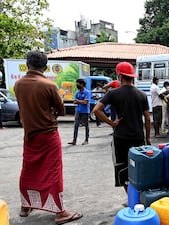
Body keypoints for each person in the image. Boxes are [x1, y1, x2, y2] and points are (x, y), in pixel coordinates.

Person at [14, 50, 83, 224]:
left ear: (27, 64)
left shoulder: (18, 85)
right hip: (48, 134)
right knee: (53, 171)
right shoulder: (49, 85)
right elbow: (61, 110)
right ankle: (60, 212)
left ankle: (26, 205)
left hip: (29, 135)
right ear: (45, 66)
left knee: (28, 169)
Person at [92, 62, 151, 192]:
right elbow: (147, 118)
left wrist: (112, 123)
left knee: (122, 167)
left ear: (119, 76)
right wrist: (148, 137)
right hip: (138, 137)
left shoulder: (113, 93)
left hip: (121, 137)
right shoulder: (142, 94)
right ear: (132, 77)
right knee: (139, 166)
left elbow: (96, 110)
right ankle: (139, 196)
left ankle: (130, 196)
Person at [68, 78, 91, 145]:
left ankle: (86, 140)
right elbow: (75, 102)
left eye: (78, 83)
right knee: (76, 125)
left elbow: (85, 102)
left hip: (85, 111)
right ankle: (74, 140)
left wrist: (78, 101)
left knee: (86, 126)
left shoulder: (87, 92)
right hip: (78, 110)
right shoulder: (77, 92)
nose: (77, 85)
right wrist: (80, 101)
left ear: (82, 84)